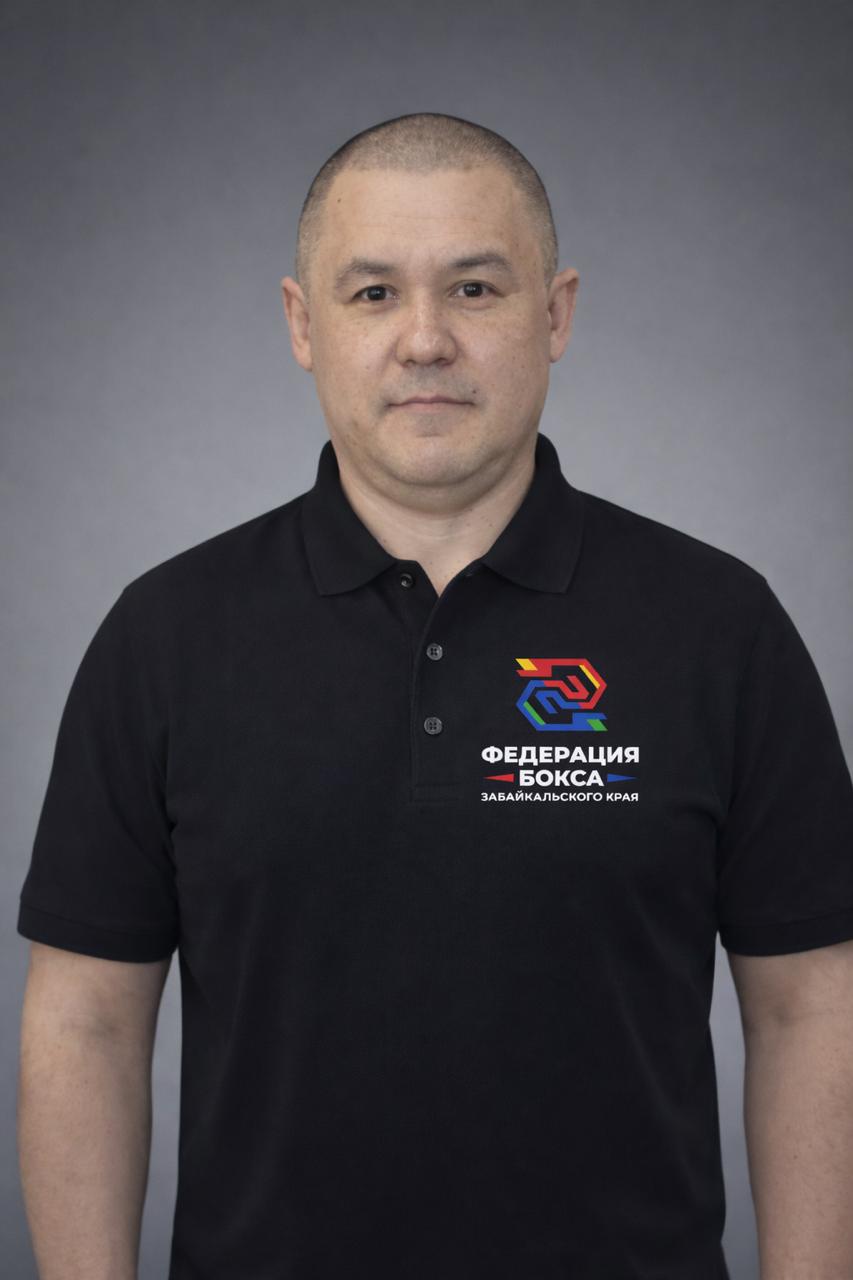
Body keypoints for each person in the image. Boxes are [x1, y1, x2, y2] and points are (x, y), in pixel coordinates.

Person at [16, 111, 853, 1280]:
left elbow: (811, 1003)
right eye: (372, 294)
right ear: (302, 324)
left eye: (473, 288)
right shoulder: (164, 636)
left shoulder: (720, 626)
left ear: (553, 313)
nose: (424, 339)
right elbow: (89, 1019)